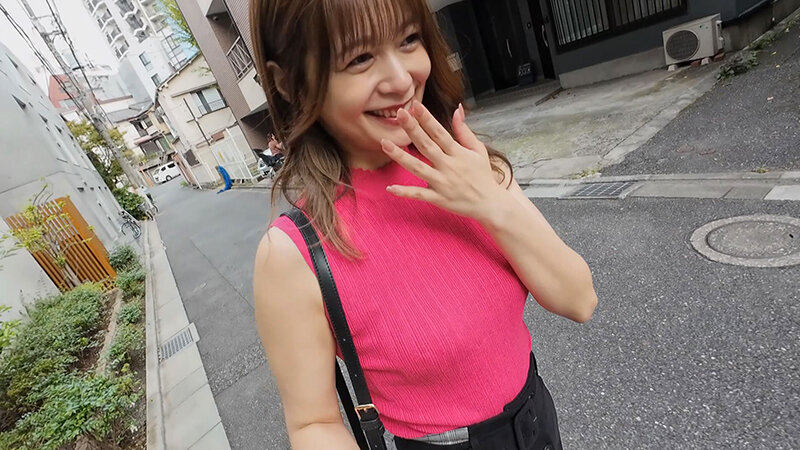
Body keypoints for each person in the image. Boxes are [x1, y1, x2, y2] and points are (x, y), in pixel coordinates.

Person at [250, 1, 598, 449]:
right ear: (288, 81)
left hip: (536, 423)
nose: (401, 80)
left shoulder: (465, 163)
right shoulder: (292, 253)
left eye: (409, 39)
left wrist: (492, 203)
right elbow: (313, 423)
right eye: (360, 58)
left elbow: (578, 300)